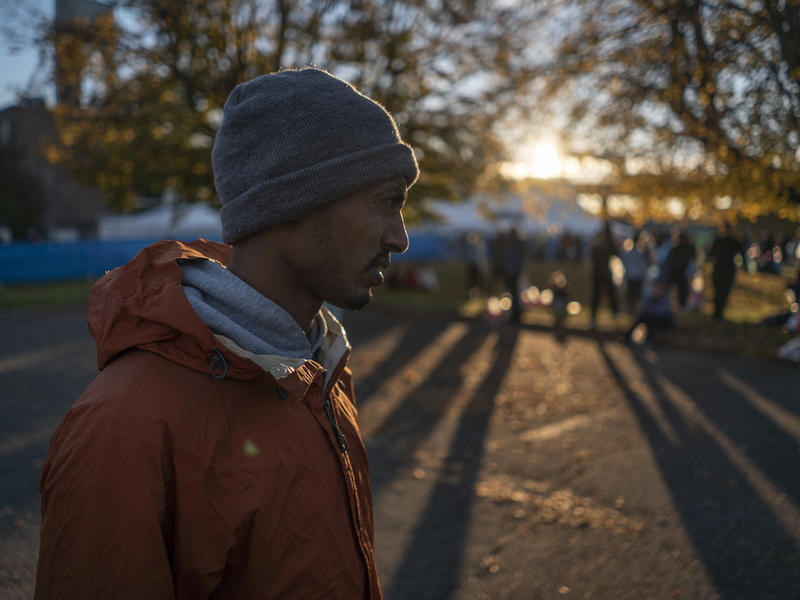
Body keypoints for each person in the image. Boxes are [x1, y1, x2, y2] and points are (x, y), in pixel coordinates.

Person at [35, 68, 419, 599]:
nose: (400, 238)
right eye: (387, 201)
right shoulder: (124, 428)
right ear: (296, 199)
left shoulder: (322, 371)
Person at [709, 222, 745, 320]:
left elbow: (710, 255)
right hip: (722, 269)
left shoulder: (729, 241)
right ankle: (717, 313)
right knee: (719, 292)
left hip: (725, 269)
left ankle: (718, 313)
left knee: (723, 292)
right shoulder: (721, 241)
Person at [625, 280, 675, 344]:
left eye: (658, 289)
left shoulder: (666, 299)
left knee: (655, 320)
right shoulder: (649, 298)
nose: (656, 291)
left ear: (661, 290)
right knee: (641, 317)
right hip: (652, 318)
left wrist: (650, 312)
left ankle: (650, 339)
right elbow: (645, 309)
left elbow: (661, 312)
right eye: (655, 289)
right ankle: (627, 336)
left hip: (663, 321)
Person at [589, 221, 619, 329]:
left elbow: (592, 256)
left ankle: (593, 318)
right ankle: (615, 315)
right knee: (611, 295)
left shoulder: (596, 244)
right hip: (605, 273)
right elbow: (616, 253)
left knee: (596, 296)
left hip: (597, 273)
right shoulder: (608, 245)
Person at [664, 230, 696, 310]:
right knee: (684, 289)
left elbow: (668, 259)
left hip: (677, 272)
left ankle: (679, 305)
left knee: (678, 289)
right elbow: (694, 259)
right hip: (684, 273)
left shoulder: (675, 248)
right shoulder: (689, 247)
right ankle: (682, 305)